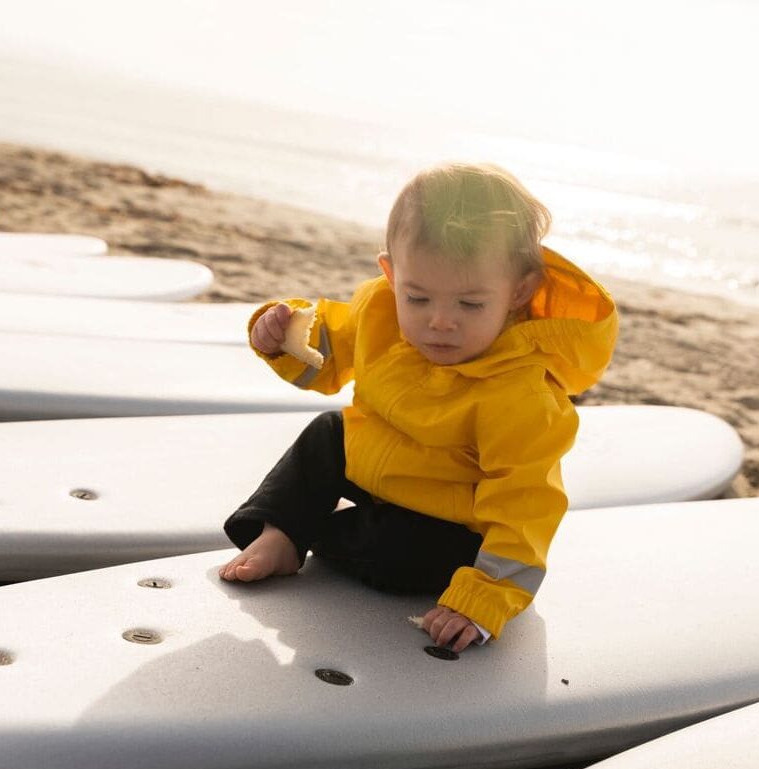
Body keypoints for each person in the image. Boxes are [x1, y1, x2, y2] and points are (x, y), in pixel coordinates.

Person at [219, 162, 617, 652]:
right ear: (391, 274)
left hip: (443, 525)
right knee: (327, 431)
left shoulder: (521, 395)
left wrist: (484, 597)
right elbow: (326, 356)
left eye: (470, 305)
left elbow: (526, 504)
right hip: (375, 475)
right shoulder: (379, 311)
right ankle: (282, 533)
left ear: (518, 292)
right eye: (418, 297)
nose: (440, 322)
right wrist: (280, 337)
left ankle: (313, 531)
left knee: (392, 556)